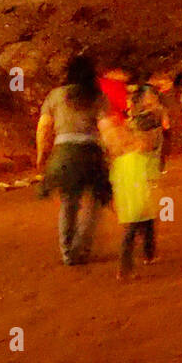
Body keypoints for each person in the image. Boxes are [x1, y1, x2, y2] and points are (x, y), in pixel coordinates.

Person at [37, 55, 112, 266]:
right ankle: (82, 247)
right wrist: (113, 153)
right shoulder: (98, 96)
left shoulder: (55, 96)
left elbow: (44, 127)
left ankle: (67, 253)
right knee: (96, 201)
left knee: (69, 202)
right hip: (91, 152)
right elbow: (106, 129)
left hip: (64, 152)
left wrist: (42, 154)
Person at [103, 115, 158, 280]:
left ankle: (132, 265)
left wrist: (115, 203)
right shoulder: (143, 160)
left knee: (134, 235)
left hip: (129, 206)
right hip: (142, 204)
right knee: (141, 233)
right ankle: (131, 265)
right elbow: (152, 180)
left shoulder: (118, 164)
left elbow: (114, 184)